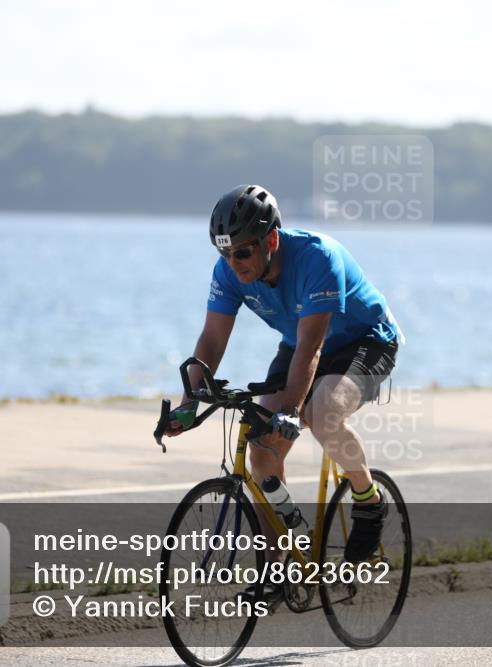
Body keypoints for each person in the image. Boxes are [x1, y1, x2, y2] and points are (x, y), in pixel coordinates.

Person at [165, 184, 402, 602]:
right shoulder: (228, 272)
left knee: (321, 412)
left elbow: (313, 349)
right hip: (299, 343)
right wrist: (188, 405)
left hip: (365, 340)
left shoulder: (317, 258)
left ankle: (368, 497)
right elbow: (211, 342)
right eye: (224, 253)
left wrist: (292, 410)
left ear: (270, 240)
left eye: (242, 252)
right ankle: (280, 569)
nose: (233, 263)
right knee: (261, 447)